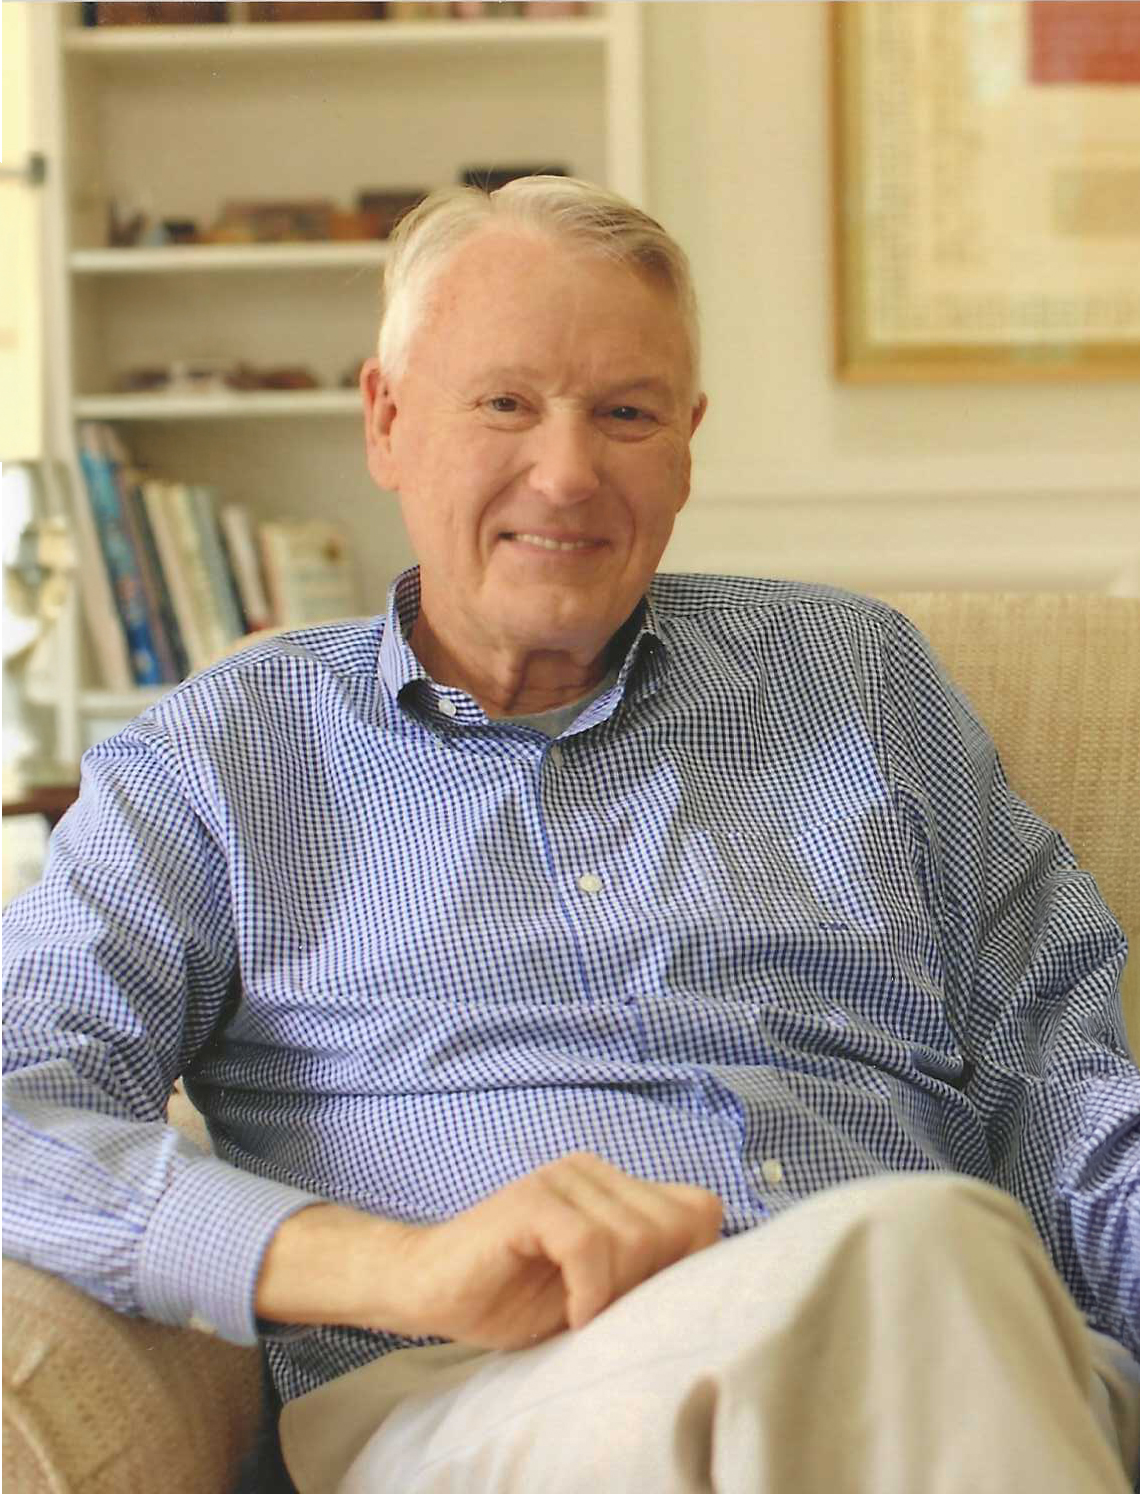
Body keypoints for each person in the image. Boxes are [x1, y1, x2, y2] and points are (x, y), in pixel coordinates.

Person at [4, 176, 1139, 1494]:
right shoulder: (222, 755)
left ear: (689, 443)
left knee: (933, 1265)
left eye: (626, 413)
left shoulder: (860, 685)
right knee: (928, 1250)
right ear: (386, 418)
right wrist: (393, 1265)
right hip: (493, 1399)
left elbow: (1065, 1088)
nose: (567, 473)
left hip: (961, 1341)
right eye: (505, 403)